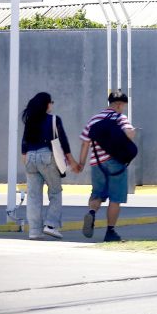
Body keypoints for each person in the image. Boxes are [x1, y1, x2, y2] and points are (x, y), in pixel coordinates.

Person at [77, 91, 135, 242]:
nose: (123, 108)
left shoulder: (94, 119)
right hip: (116, 164)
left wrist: (81, 163)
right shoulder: (120, 118)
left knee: (97, 194)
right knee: (115, 199)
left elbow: (85, 142)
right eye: (123, 106)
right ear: (119, 104)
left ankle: (91, 212)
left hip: (97, 163)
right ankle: (110, 231)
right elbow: (130, 133)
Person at [21, 92, 79, 240]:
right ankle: (51, 225)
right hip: (46, 157)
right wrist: (72, 161)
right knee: (55, 191)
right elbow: (63, 142)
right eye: (51, 102)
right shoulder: (53, 120)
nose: (52, 104)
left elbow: (24, 142)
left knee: (33, 196)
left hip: (30, 158)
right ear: (46, 104)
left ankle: (34, 231)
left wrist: (26, 158)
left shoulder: (30, 120)